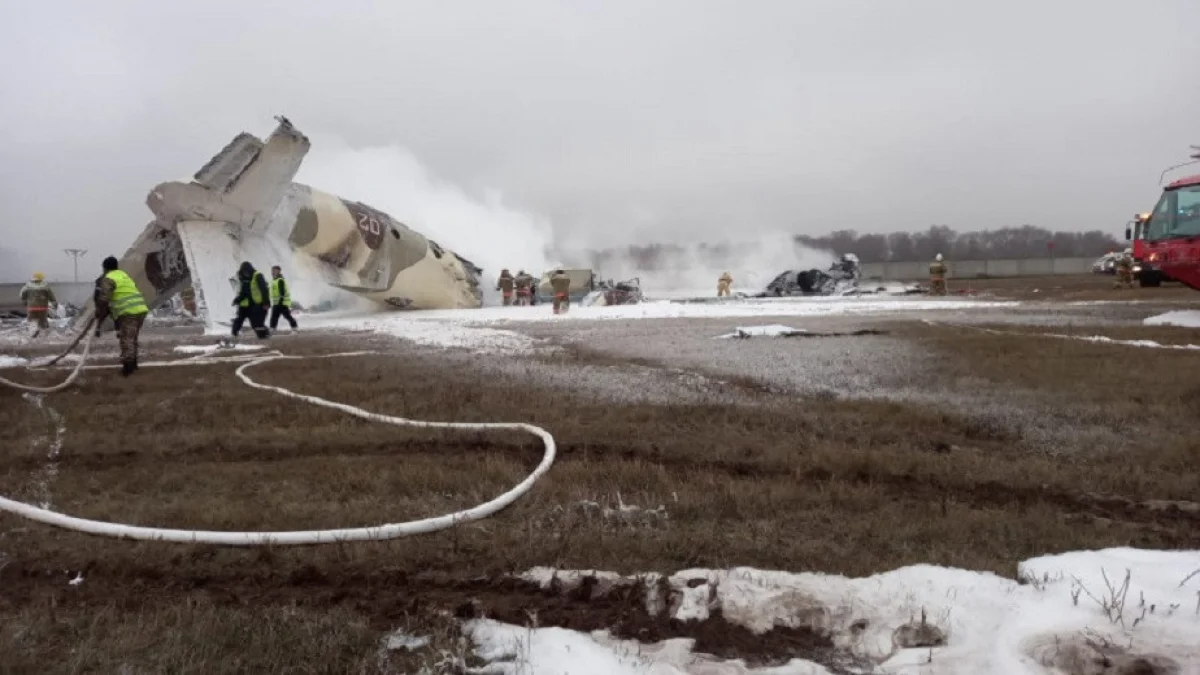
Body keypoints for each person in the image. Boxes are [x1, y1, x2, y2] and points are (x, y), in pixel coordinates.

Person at [93, 256, 149, 376]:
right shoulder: (123, 275)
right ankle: (133, 363)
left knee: (127, 339)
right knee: (132, 338)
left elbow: (104, 299)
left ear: (105, 268)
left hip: (128, 311)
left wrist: (99, 311)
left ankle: (128, 367)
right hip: (140, 309)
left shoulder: (108, 278)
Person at [231, 261, 271, 339]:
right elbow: (244, 292)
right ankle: (234, 334)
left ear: (250, 270)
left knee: (257, 323)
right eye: (244, 272)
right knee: (243, 320)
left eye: (246, 272)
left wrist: (266, 303)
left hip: (259, 304)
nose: (246, 274)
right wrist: (237, 300)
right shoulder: (245, 279)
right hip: (250, 304)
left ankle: (264, 334)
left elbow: (264, 289)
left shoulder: (258, 276)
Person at [19, 272, 57, 337]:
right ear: (41, 278)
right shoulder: (45, 286)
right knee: (43, 321)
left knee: (31, 321)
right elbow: (52, 297)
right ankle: (44, 336)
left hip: (31, 308)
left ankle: (34, 332)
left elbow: (22, 295)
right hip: (42, 308)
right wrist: (55, 304)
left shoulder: (27, 285)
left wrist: (25, 301)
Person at [268, 266, 299, 332]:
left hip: (281, 303)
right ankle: (272, 329)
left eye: (275, 271)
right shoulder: (274, 280)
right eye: (272, 271)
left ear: (279, 271)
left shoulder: (280, 280)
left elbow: (282, 293)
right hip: (277, 303)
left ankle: (295, 327)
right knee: (276, 317)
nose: (273, 272)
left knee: (284, 316)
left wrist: (280, 302)